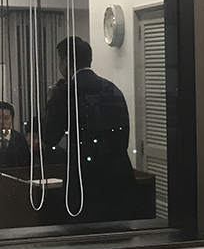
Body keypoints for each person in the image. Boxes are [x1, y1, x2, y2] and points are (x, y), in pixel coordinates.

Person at [43, 36, 138, 222]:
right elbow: (123, 136)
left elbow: (49, 136)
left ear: (66, 61)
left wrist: (52, 100)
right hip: (118, 176)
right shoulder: (112, 89)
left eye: (59, 60)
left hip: (84, 179)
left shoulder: (66, 92)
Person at [0, 101, 31, 169]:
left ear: (12, 119)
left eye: (6, 118)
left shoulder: (20, 139)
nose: (2, 122)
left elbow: (26, 164)